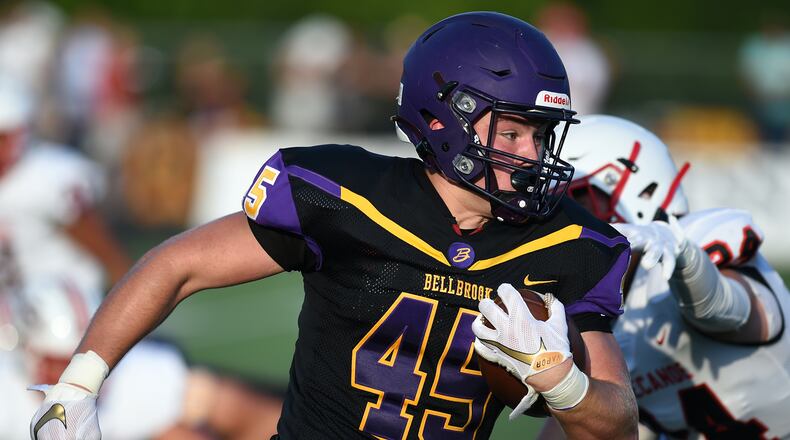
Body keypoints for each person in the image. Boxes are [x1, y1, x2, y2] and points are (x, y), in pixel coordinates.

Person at [30, 12, 637, 439]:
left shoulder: (571, 244)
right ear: (449, 119)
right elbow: (175, 265)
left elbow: (618, 426)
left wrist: (563, 387)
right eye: (512, 131)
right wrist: (77, 387)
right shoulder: (349, 196)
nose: (531, 154)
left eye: (540, 134)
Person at [550, 114, 790, 439]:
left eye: (575, 200)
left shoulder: (693, 249)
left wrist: (688, 262)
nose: (561, 222)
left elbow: (728, 310)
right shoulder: (589, 312)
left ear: (642, 192)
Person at [1, 277, 282, 439]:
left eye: (86, 355)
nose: (79, 371)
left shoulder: (129, 372)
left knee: (215, 400)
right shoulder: (8, 397)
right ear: (27, 352)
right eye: (62, 361)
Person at [0, 73, 131, 302]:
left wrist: (128, 290)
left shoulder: (48, 176)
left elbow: (102, 247)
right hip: (14, 305)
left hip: (65, 301)